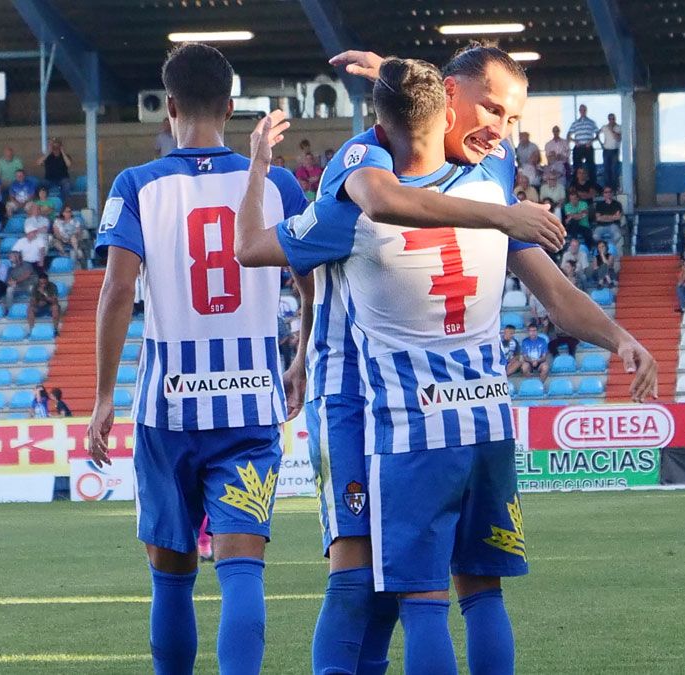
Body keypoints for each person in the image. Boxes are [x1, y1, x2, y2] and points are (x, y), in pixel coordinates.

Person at [249, 45, 658, 674]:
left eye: (513, 117)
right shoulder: (369, 163)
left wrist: (616, 334)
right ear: (446, 98)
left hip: (406, 404)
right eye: (492, 108)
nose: (501, 129)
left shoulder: (485, 174)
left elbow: (264, 243)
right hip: (352, 391)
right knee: (364, 579)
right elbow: (390, 182)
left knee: (405, 590)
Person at [84, 43, 308, 675]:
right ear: (231, 108)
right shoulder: (277, 184)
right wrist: (301, 357)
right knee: (242, 570)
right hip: (250, 402)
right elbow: (311, 279)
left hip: (167, 409)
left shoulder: (137, 185)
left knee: (173, 577)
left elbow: (117, 291)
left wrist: (103, 397)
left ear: (170, 108)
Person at [567, 104, 599, 172]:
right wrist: (574, 141)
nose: (582, 111)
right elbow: (568, 135)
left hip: (588, 147)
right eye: (581, 110)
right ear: (579, 111)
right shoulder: (575, 123)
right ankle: (576, 182)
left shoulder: (591, 122)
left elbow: (597, 135)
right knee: (577, 167)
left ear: (586, 111)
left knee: (590, 167)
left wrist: (591, 141)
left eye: (584, 110)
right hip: (578, 147)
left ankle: (591, 182)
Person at [592, 186, 624, 251]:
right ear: (603, 194)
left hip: (613, 225)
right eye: (606, 192)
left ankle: (608, 246)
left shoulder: (617, 204)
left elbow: (617, 217)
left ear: (612, 193)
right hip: (600, 226)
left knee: (617, 235)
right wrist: (612, 217)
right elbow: (598, 218)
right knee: (595, 236)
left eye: (610, 192)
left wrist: (604, 216)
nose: (608, 194)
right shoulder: (599, 205)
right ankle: (602, 247)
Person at [599, 113, 621, 188]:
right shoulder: (604, 127)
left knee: (614, 169)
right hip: (606, 150)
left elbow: (618, 138)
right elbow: (597, 134)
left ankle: (614, 188)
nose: (611, 120)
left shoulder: (618, 127)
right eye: (610, 119)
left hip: (614, 150)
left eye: (613, 119)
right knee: (606, 169)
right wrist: (601, 143)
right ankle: (607, 187)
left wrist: (612, 130)